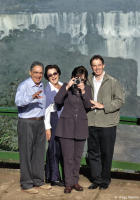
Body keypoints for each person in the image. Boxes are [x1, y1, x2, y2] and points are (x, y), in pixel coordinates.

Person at [87, 55, 125, 190]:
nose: (96, 68)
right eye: (94, 65)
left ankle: (105, 180)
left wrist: (103, 106)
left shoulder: (113, 82)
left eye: (99, 65)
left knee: (106, 153)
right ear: (91, 67)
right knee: (92, 153)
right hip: (91, 122)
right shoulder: (87, 81)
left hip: (107, 123)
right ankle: (96, 180)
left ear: (104, 65)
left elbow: (120, 100)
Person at [54, 66, 92, 194]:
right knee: (68, 157)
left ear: (85, 79)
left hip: (80, 127)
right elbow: (57, 100)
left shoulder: (87, 89)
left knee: (77, 157)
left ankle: (75, 181)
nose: (79, 81)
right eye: (77, 78)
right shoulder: (66, 87)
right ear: (72, 77)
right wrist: (67, 86)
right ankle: (68, 183)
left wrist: (83, 92)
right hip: (66, 128)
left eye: (82, 78)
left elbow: (88, 106)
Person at [15, 61, 51, 194]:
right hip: (27, 123)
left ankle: (38, 181)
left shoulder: (42, 85)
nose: (38, 75)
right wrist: (31, 97)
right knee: (26, 153)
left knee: (39, 153)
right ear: (30, 72)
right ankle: (27, 184)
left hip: (39, 123)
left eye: (41, 73)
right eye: (35, 72)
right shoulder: (24, 85)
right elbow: (18, 101)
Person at [44, 65, 64, 187]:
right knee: (54, 149)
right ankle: (54, 178)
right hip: (53, 119)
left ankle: (50, 175)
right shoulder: (47, 90)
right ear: (47, 77)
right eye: (50, 75)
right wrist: (47, 128)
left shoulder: (64, 85)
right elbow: (45, 110)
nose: (53, 76)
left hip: (65, 120)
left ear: (59, 73)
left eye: (55, 73)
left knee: (61, 149)